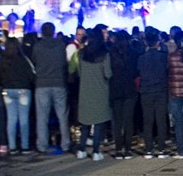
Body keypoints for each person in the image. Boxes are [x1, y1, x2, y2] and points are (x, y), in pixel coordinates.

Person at [32, 22, 70, 155]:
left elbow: (34, 61)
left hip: (42, 83)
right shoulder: (60, 45)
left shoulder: (37, 46)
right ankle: (65, 143)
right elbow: (63, 62)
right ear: (53, 31)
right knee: (62, 115)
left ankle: (42, 145)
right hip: (59, 82)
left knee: (42, 117)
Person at [75, 31, 112, 161]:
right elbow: (107, 74)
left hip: (85, 90)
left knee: (84, 122)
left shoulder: (81, 54)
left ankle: (81, 149)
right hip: (100, 90)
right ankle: (96, 151)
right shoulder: (104, 54)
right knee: (98, 122)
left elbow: (79, 72)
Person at [0, 38, 35, 154]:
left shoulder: (2, 61)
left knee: (11, 119)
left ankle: (12, 146)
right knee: (24, 119)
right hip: (23, 90)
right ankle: (25, 146)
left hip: (8, 90)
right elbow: (32, 75)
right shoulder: (24, 59)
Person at [136, 29, 169, 158]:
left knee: (147, 120)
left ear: (146, 43)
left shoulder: (141, 58)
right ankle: (161, 149)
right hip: (160, 91)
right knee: (161, 120)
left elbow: (139, 73)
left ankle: (148, 149)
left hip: (146, 91)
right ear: (158, 42)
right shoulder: (163, 57)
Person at [109, 31, 139, 159]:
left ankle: (118, 149)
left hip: (116, 89)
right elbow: (136, 72)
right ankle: (128, 149)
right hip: (129, 89)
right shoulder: (134, 53)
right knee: (128, 120)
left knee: (117, 121)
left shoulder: (111, 54)